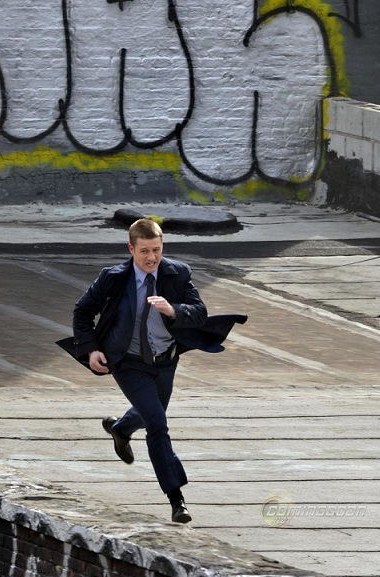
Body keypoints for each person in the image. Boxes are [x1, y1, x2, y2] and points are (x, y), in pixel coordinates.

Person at [60, 218, 247, 523]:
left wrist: (173, 310)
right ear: (131, 249)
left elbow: (200, 313)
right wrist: (91, 349)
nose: (151, 257)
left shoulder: (177, 273)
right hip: (128, 362)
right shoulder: (112, 278)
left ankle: (121, 429)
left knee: (151, 412)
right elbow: (82, 311)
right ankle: (176, 499)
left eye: (156, 250)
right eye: (144, 251)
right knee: (157, 424)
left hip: (165, 361)